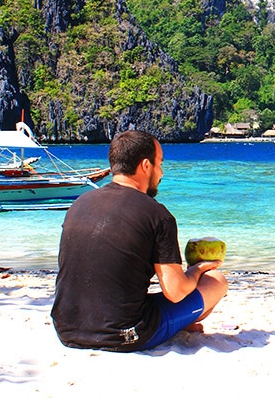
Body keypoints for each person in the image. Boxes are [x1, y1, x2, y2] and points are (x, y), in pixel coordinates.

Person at [51, 130, 228, 351]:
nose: (161, 173)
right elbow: (176, 292)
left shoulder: (80, 203)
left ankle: (177, 324)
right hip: (126, 334)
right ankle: (177, 324)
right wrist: (198, 269)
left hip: (67, 329)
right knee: (216, 280)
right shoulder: (157, 215)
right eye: (160, 163)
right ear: (146, 166)